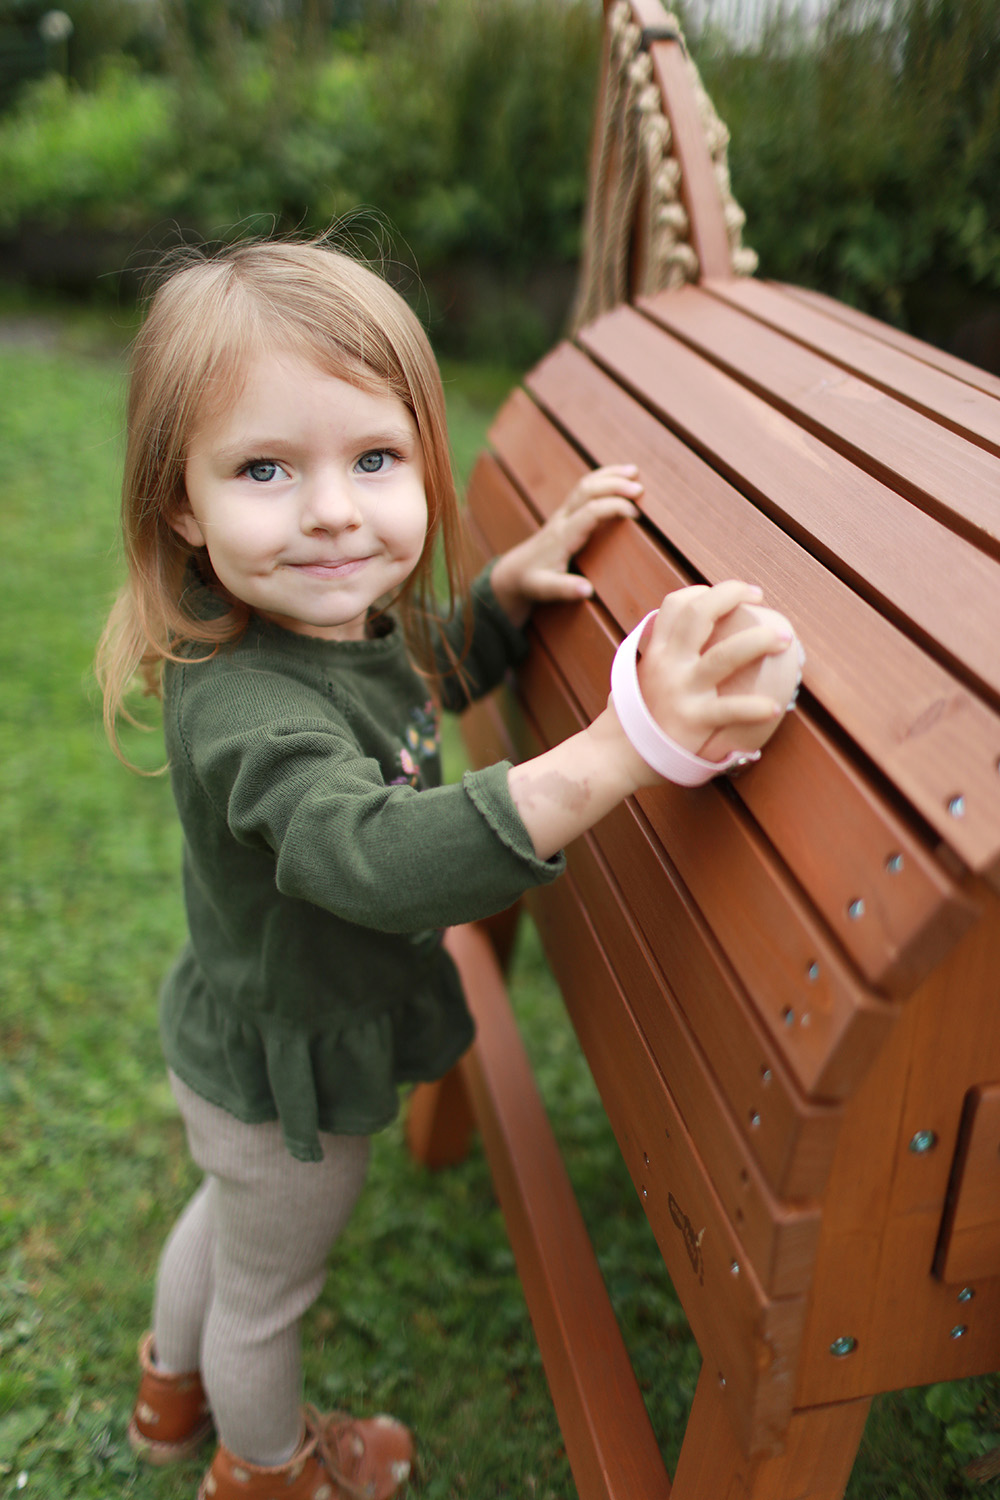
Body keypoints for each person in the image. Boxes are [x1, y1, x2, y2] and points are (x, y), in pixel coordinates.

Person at [96, 237, 797, 1500]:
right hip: (285, 1085)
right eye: (266, 468)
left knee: (228, 1228)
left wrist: (503, 603)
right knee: (268, 1286)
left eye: (374, 459)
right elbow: (379, 853)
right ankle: (263, 1471)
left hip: (247, 1040)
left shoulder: (322, 622)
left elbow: (405, 698)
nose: (330, 508)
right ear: (182, 506)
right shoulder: (253, 710)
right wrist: (626, 747)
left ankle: (169, 1390)